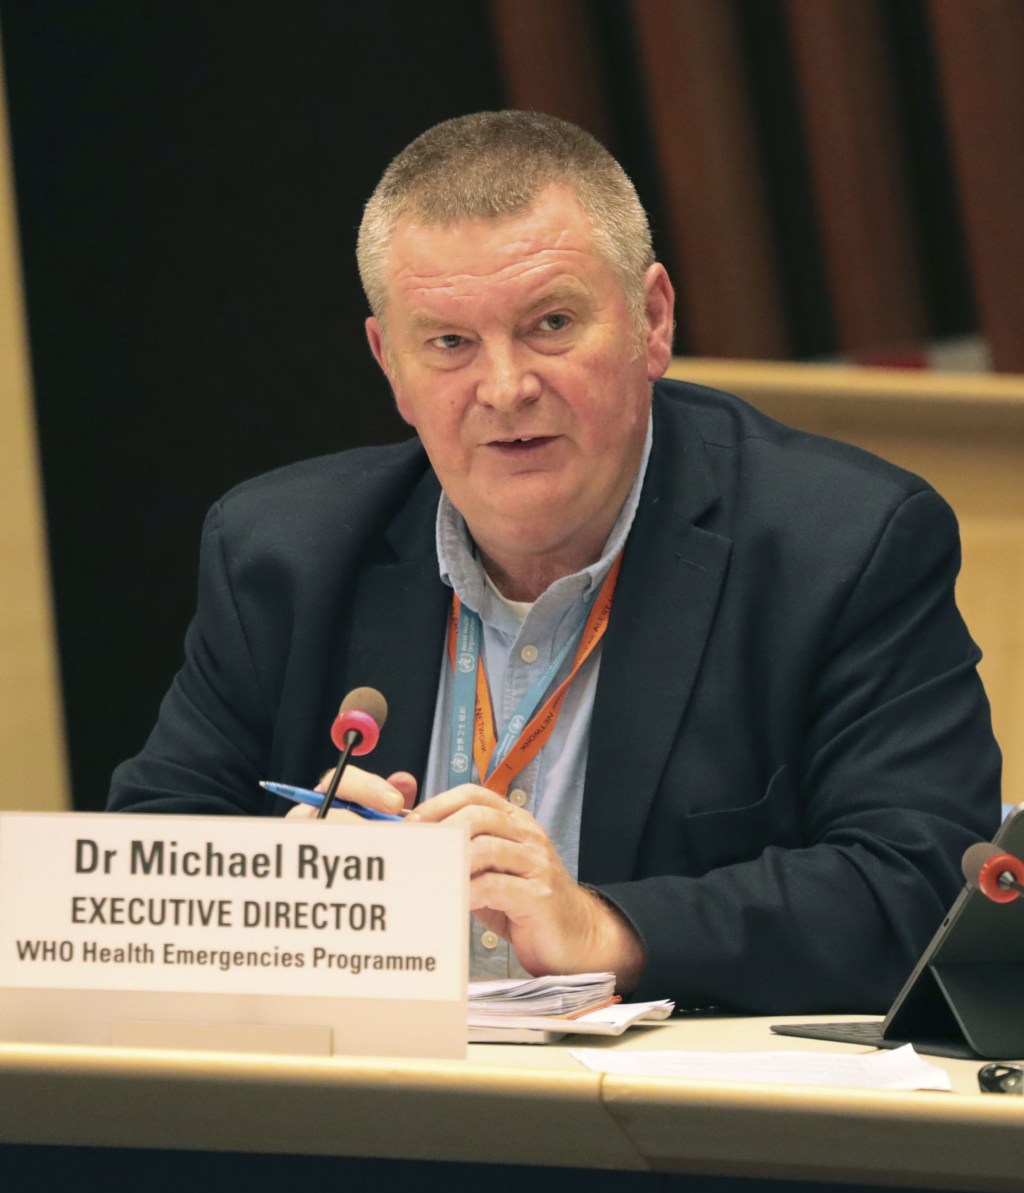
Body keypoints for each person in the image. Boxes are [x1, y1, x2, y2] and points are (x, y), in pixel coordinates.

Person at [109, 110, 1002, 1013]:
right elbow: (137, 872)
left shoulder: (842, 545)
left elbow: (924, 889)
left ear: (651, 321)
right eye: (450, 343)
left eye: (550, 323)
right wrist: (277, 897)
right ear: (391, 366)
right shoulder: (280, 554)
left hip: (667, 1133)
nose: (505, 387)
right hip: (368, 1116)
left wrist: (603, 928)